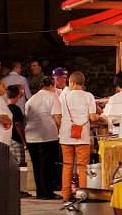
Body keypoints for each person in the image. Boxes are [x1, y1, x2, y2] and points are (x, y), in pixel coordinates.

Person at [54, 71, 99, 201]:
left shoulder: (63, 96)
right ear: (82, 83)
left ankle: (66, 195)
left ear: (71, 83)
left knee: (67, 165)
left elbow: (58, 115)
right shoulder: (89, 96)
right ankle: (82, 194)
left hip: (66, 134)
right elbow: (92, 117)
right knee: (82, 166)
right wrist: (99, 118)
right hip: (83, 135)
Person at [26, 76, 62, 200]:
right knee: (48, 165)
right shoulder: (53, 97)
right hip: (48, 135)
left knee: (37, 165)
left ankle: (40, 191)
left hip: (31, 136)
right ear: (52, 86)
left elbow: (27, 117)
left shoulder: (31, 99)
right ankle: (48, 192)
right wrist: (61, 130)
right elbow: (57, 117)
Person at [6, 85, 27, 170]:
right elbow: (18, 125)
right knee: (20, 164)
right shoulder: (16, 109)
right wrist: (23, 140)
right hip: (16, 139)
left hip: (7, 138)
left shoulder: (5, 107)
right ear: (18, 95)